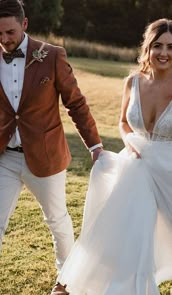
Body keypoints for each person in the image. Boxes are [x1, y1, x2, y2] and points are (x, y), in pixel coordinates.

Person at [0, 0, 103, 294]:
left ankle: (67, 282)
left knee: (57, 221)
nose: (5, 39)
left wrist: (95, 146)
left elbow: (76, 104)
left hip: (45, 156)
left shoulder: (52, 55)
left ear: (25, 24)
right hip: (3, 158)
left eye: (10, 32)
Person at [51, 18, 172, 295]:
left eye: (170, 47)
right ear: (148, 49)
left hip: (168, 168)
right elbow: (123, 123)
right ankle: (96, 285)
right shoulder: (133, 82)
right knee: (126, 230)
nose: (163, 53)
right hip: (137, 167)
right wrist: (130, 141)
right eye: (157, 46)